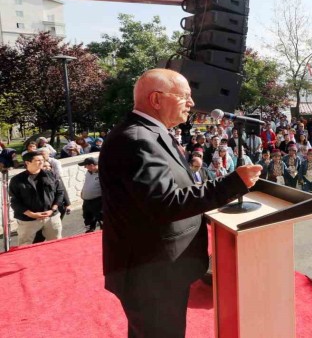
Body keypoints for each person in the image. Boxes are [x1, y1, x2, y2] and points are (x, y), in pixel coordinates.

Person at [98, 68, 262, 338]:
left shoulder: (149, 133)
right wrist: (233, 184)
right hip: (150, 273)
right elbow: (165, 203)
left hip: (155, 268)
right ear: (156, 99)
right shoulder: (138, 140)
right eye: (184, 96)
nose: (192, 103)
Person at [9, 151, 65, 245]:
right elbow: (14, 201)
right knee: (25, 245)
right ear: (27, 162)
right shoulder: (17, 180)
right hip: (28, 220)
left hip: (51, 216)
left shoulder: (52, 175)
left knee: (56, 243)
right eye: (38, 160)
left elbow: (60, 193)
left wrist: (53, 209)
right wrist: (30, 214)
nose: (42, 162)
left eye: (42, 160)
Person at [78, 156, 103, 233]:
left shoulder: (102, 173)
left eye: (86, 165)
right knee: (87, 219)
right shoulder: (88, 173)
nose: (85, 167)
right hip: (87, 201)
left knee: (101, 219)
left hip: (98, 201)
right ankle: (89, 231)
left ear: (92, 165)